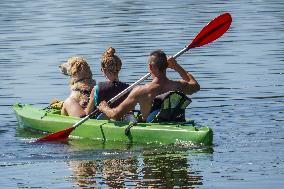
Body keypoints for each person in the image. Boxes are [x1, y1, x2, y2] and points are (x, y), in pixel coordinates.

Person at [98, 49, 200, 121]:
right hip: (174, 122)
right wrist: (176, 66)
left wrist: (104, 108)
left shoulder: (141, 91)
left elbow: (115, 115)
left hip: (153, 128)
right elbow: (195, 86)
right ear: (167, 67)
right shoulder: (179, 86)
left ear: (150, 67)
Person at [84, 47, 129, 117]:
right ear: (119, 69)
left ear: (103, 70)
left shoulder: (96, 89)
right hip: (123, 120)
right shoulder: (128, 88)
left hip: (102, 121)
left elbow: (87, 113)